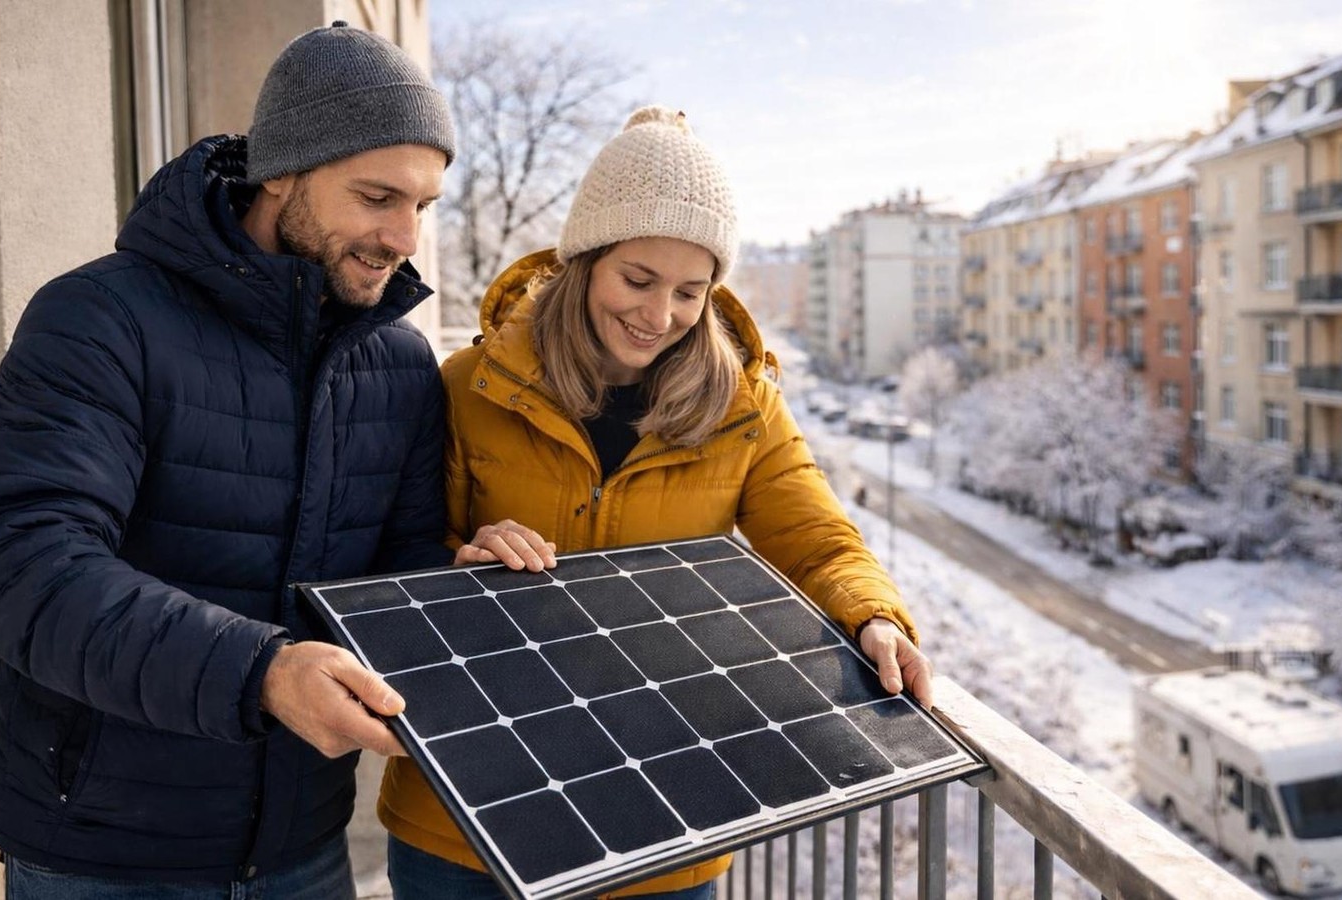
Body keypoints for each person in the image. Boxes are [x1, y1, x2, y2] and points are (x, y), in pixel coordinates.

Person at [0, 22, 467, 899]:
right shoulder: (102, 318)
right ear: (283, 173)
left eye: (422, 205)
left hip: (301, 842)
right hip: (102, 850)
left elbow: (396, 569)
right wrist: (261, 673)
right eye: (378, 197)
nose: (405, 236)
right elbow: (20, 559)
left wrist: (464, 576)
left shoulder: (398, 363)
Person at [377, 106, 935, 899]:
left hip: (663, 833)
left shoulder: (744, 408)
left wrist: (875, 616)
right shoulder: (472, 388)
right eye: (637, 280)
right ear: (585, 260)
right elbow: (396, 551)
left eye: (689, 292)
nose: (659, 315)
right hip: (467, 822)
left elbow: (818, 541)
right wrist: (461, 557)